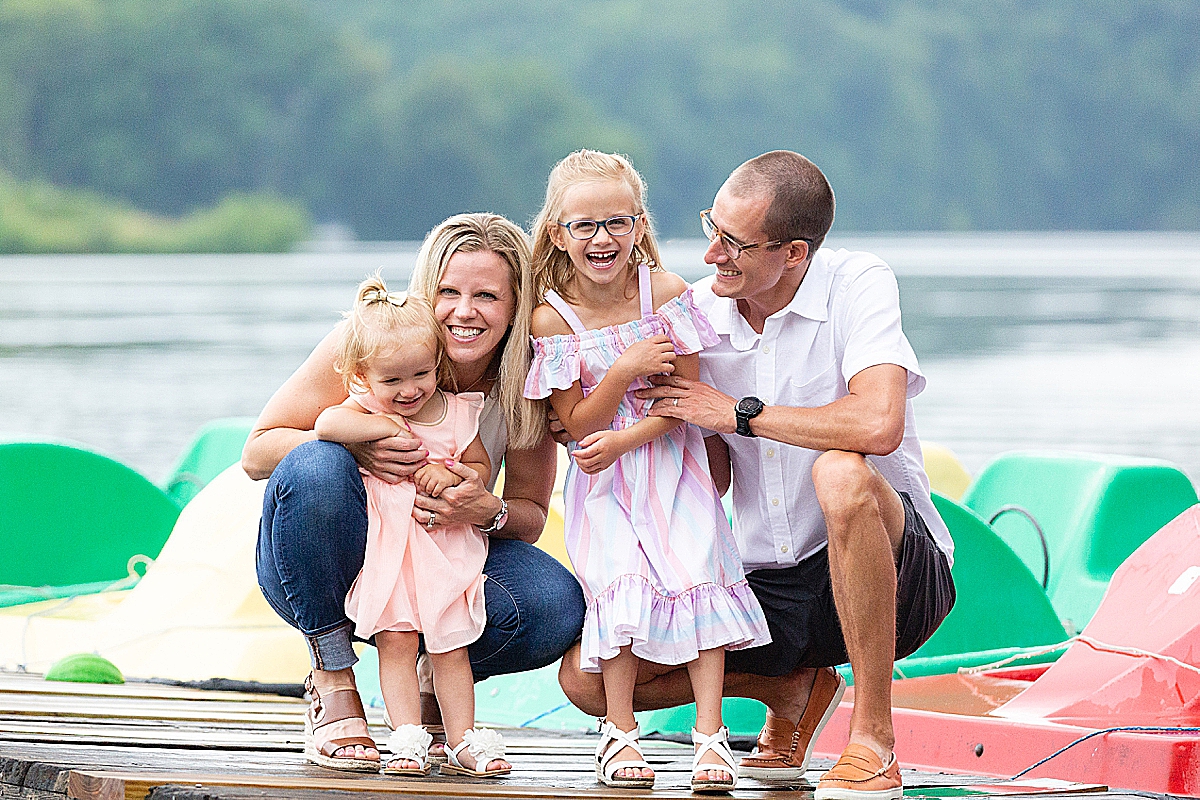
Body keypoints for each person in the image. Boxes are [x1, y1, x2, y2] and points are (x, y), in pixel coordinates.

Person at [556, 151, 956, 800]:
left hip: (898, 572)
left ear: (794, 253)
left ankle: (873, 742)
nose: (712, 255)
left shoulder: (858, 282)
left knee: (841, 476)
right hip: (770, 585)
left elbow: (880, 421)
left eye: (735, 243)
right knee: (587, 680)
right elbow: (700, 479)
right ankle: (791, 688)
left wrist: (736, 414)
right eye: (712, 228)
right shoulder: (696, 317)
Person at [246, 213, 586, 772]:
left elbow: (527, 517)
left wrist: (486, 508)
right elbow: (258, 453)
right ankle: (332, 673)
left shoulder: (524, 379)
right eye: (448, 292)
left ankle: (435, 675)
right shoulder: (374, 342)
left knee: (554, 603)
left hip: (438, 550)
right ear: (428, 291)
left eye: (487, 296)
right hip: (349, 551)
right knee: (316, 466)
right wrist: (359, 448)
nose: (463, 311)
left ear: (517, 304)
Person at [524, 150, 772, 793]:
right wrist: (624, 371)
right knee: (622, 585)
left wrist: (627, 431)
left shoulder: (663, 292)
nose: (602, 239)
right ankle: (620, 731)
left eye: (618, 222)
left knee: (697, 576)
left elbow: (684, 404)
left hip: (672, 465)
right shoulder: (553, 319)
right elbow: (576, 422)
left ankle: (711, 737)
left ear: (639, 225)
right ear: (558, 234)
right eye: (585, 226)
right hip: (602, 481)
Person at [313, 276, 509, 777]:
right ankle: (406, 737)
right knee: (396, 641)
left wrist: (455, 475)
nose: (409, 390)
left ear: (437, 363)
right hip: (391, 550)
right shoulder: (368, 409)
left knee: (451, 644)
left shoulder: (456, 411)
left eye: (420, 374)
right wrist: (384, 429)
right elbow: (325, 427)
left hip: (441, 546)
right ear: (363, 376)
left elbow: (480, 467)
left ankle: (463, 738)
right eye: (392, 381)